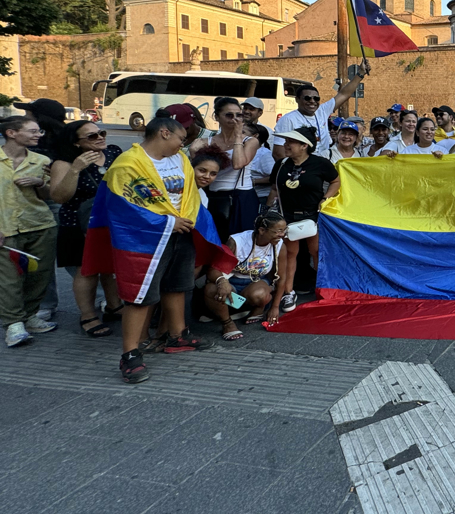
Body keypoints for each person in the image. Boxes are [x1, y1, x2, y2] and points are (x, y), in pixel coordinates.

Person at [85, 116, 229, 382]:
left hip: (181, 232)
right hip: (144, 239)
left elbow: (190, 196)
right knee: (140, 296)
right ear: (164, 133)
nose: (181, 145)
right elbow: (122, 207)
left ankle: (177, 335)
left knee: (178, 286)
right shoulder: (127, 165)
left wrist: (186, 222)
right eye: (179, 139)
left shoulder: (182, 160)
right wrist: (166, 222)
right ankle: (130, 354)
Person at [46, 121, 124, 339]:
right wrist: (76, 169)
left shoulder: (113, 153)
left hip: (109, 219)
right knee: (86, 271)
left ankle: (114, 306)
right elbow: (60, 197)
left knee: (109, 266)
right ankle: (87, 315)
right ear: (76, 143)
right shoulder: (64, 163)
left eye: (101, 132)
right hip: (78, 223)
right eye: (91, 136)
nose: (99, 137)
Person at [266, 127, 339, 323]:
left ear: (304, 146)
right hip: (287, 217)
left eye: (291, 142)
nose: (286, 145)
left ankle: (324, 289)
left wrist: (325, 199)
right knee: (290, 254)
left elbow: (336, 181)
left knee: (316, 252)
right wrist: (266, 211)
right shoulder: (281, 164)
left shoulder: (321, 163)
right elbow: (274, 188)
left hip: (313, 216)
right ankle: (289, 292)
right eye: (286, 141)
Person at [0, 116, 58, 347]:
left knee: (40, 274)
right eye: (33, 131)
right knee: (9, 279)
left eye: (39, 131)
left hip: (40, 224)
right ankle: (13, 324)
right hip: (6, 228)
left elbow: (49, 196)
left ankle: (30, 315)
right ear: (12, 133)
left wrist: (39, 183)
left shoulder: (42, 160)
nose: (38, 135)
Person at [203, 211, 287, 341]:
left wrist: (275, 308)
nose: (281, 235)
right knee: (211, 289)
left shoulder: (280, 245)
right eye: (278, 231)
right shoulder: (237, 241)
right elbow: (214, 269)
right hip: (232, 282)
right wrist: (222, 282)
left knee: (260, 294)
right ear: (262, 230)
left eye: (284, 231)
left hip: (256, 283)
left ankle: (257, 307)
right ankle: (227, 322)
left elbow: (281, 277)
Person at [189, 97, 261, 241]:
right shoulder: (205, 142)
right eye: (229, 115)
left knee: (239, 241)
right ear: (217, 117)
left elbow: (238, 164)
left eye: (238, 115)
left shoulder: (250, 141)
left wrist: (238, 136)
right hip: (213, 195)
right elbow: (197, 172)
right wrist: (193, 153)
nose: (234, 119)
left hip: (241, 196)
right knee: (212, 240)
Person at [273, 76, 362, 160]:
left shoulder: (322, 111)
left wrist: (360, 74)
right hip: (303, 168)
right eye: (307, 98)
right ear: (297, 99)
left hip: (323, 164)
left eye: (316, 98)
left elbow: (344, 94)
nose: (312, 101)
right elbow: (278, 152)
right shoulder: (288, 119)